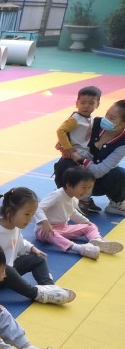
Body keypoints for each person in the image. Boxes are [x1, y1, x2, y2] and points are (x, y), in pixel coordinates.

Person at [0, 187, 74, 304]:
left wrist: (32, 248)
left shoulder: (14, 228)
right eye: (27, 214)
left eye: (32, 214)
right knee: (5, 268)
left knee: (38, 258)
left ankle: (49, 287)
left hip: (6, 274)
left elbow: (20, 244)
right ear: (9, 211)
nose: (30, 219)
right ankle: (36, 293)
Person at [35, 166, 122, 259]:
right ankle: (78, 248)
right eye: (84, 187)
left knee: (90, 226)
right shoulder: (57, 195)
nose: (87, 191)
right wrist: (45, 223)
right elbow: (38, 208)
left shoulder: (74, 198)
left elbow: (72, 212)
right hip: (45, 230)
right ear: (69, 185)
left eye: (89, 187)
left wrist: (86, 222)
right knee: (51, 233)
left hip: (63, 228)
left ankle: (97, 240)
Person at [52, 85, 100, 213]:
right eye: (83, 103)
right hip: (77, 152)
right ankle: (78, 200)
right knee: (81, 176)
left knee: (88, 177)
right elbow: (61, 130)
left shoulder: (92, 118)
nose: (86, 106)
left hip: (86, 152)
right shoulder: (75, 119)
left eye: (91, 103)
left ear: (97, 104)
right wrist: (68, 148)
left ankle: (84, 199)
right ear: (77, 103)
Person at [81, 99, 125, 216]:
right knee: (64, 163)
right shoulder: (94, 123)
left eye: (112, 118)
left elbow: (99, 172)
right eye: (106, 114)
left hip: (99, 181)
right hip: (79, 175)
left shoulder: (123, 143)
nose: (106, 119)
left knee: (119, 174)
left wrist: (81, 160)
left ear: (123, 124)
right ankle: (79, 199)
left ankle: (116, 203)